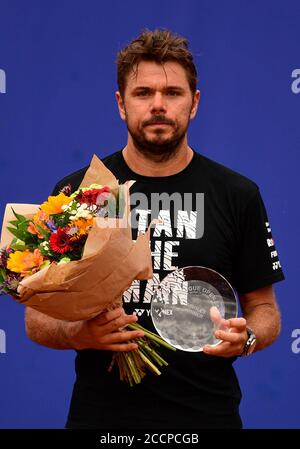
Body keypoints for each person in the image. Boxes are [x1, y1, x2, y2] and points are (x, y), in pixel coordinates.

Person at [25, 29, 284, 429]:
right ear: (121, 104)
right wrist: (80, 334)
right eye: (143, 93)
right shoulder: (82, 192)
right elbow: (36, 319)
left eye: (173, 93)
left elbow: (265, 310)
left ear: (194, 103)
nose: (158, 105)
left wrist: (247, 337)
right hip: (102, 420)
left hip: (207, 419)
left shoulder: (238, 194)